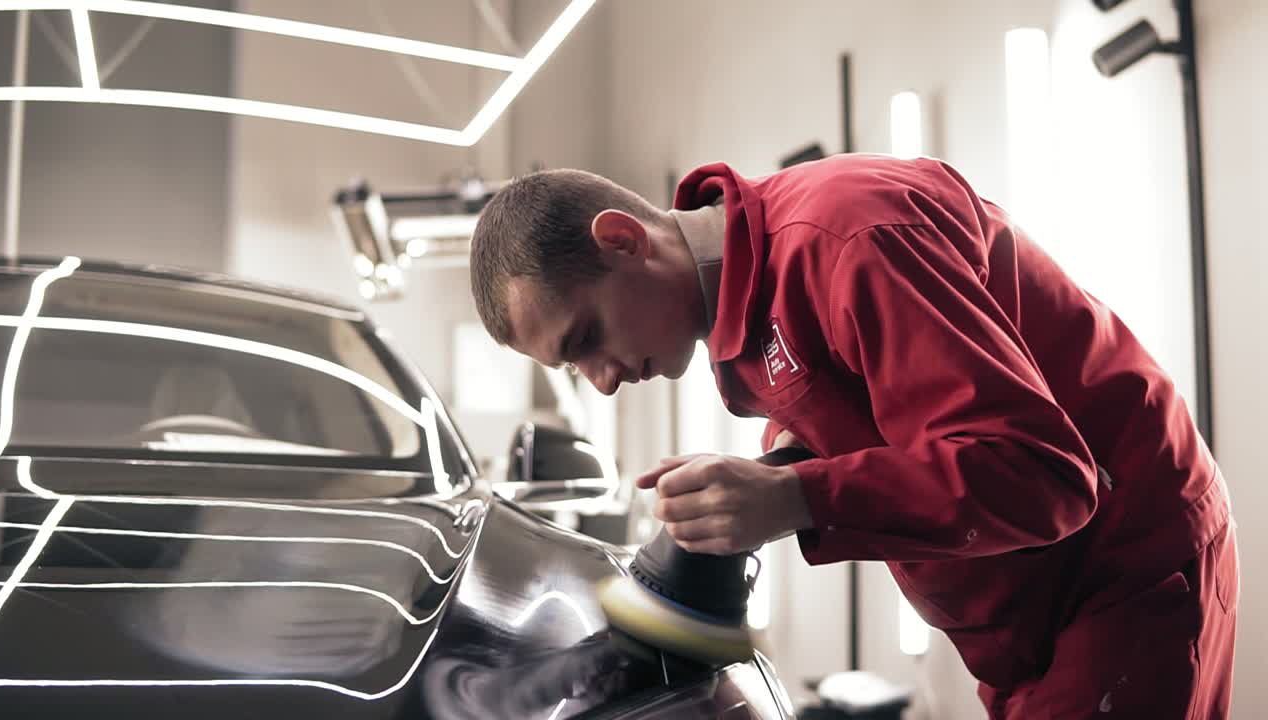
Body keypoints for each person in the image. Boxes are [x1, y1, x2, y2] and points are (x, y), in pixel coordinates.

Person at [468, 154, 1238, 718]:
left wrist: (798, 496)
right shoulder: (751, 308)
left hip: (1119, 570)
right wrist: (756, 487)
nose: (601, 379)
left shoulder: (849, 239)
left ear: (623, 240)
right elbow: (865, 419)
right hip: (1022, 611)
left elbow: (1042, 473)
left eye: (586, 339)